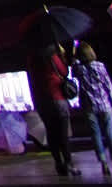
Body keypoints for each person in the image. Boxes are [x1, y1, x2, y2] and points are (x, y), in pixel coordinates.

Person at [28, 44, 79, 176]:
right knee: (63, 133)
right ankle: (69, 163)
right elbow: (64, 71)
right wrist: (62, 56)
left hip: (41, 100)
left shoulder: (32, 59)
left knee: (51, 133)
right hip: (57, 97)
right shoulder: (52, 56)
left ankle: (58, 163)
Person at [73, 43, 112, 175]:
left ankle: (104, 163)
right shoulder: (100, 66)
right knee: (110, 132)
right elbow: (108, 85)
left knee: (96, 135)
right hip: (105, 104)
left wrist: (74, 55)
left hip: (89, 107)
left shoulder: (79, 69)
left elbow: (73, 70)